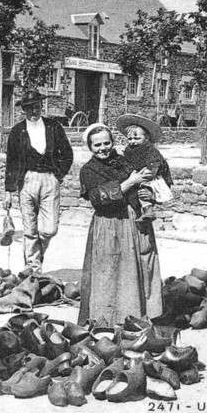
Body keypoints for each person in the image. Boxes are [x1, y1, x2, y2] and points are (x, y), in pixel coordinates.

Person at [77, 123, 163, 326]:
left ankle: (136, 316)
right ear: (90, 147)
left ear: (113, 142)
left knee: (137, 268)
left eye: (107, 143)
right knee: (109, 271)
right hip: (109, 225)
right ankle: (107, 320)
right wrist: (129, 183)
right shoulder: (89, 171)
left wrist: (148, 192)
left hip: (133, 221)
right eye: (97, 144)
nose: (103, 148)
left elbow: (148, 180)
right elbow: (99, 199)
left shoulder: (124, 162)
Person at [3, 89, 74, 271]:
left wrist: (58, 175)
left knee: (49, 229)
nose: (34, 112)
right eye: (29, 108)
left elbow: (67, 153)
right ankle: (33, 269)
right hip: (27, 180)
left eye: (36, 107)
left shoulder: (53, 127)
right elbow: (11, 161)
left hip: (50, 179)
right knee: (29, 229)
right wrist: (9, 191)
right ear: (24, 110)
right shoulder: (17, 131)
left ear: (41, 106)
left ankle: (35, 255)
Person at [117, 114, 173, 222]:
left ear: (146, 138)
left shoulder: (150, 149)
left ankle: (149, 211)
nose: (133, 141)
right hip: (135, 175)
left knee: (143, 192)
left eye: (137, 138)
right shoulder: (129, 149)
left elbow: (156, 161)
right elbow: (127, 161)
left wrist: (151, 170)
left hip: (148, 176)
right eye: (130, 138)